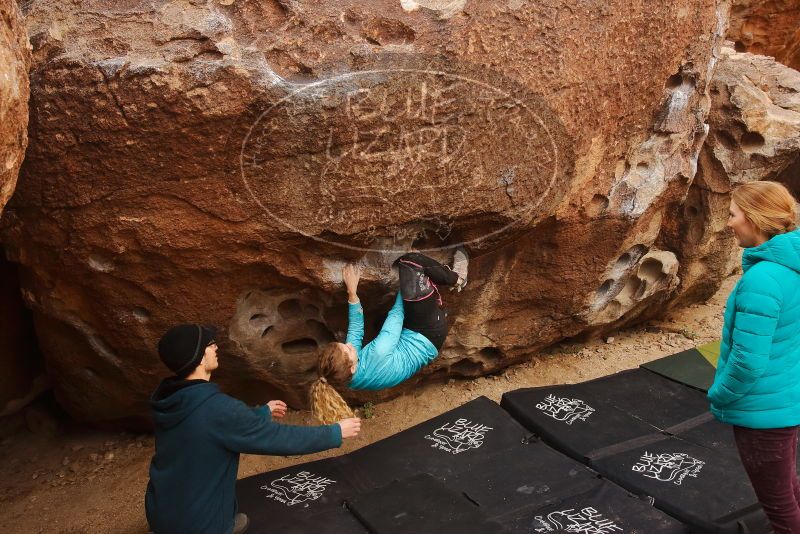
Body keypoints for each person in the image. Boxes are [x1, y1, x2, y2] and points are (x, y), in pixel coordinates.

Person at [145, 324, 361, 534]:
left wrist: (261, 413)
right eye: (210, 344)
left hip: (160, 513)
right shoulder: (218, 410)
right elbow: (279, 438)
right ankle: (222, 526)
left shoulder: (171, 399)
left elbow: (212, 425)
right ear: (200, 358)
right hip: (199, 526)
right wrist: (335, 432)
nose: (216, 347)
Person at [707, 180, 800, 534]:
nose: (729, 223)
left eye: (733, 215)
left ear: (755, 219)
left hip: (762, 412)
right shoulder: (793, 266)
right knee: (789, 489)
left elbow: (748, 361)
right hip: (787, 402)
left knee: (778, 506)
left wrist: (720, 395)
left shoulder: (763, 280)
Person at [310, 249, 468, 424]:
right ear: (353, 368)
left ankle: (430, 305)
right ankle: (458, 279)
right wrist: (410, 283)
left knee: (379, 322)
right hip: (429, 334)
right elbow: (397, 314)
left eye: (342, 345)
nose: (349, 345)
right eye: (347, 349)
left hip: (408, 338)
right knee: (411, 262)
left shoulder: (343, 375)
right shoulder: (378, 351)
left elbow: (355, 332)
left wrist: (352, 292)